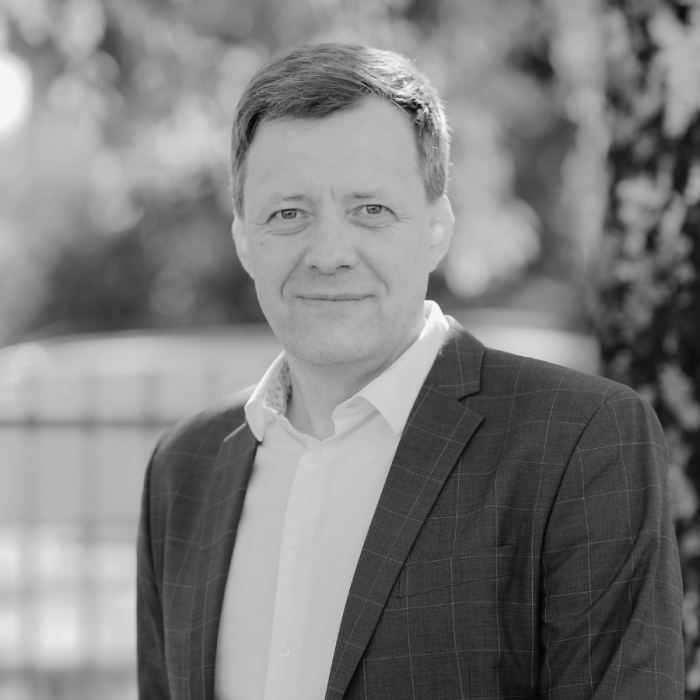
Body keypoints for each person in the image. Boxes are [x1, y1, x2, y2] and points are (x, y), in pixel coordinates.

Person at [136, 43, 684, 700]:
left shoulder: (580, 442)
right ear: (244, 239)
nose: (329, 252)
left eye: (371, 209)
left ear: (437, 228)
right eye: (288, 213)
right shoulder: (184, 469)